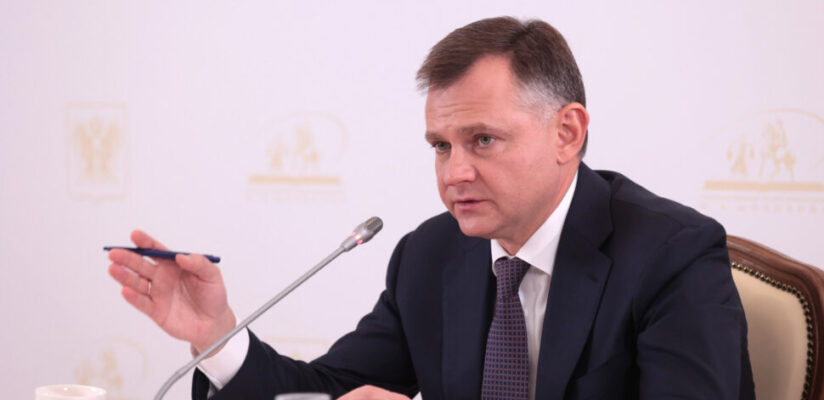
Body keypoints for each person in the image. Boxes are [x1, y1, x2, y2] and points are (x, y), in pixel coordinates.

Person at [107, 17, 754, 399]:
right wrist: (217, 336)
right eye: (440, 146)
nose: (454, 173)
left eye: (483, 140)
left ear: (567, 132)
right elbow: (333, 391)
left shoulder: (669, 254)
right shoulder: (431, 254)